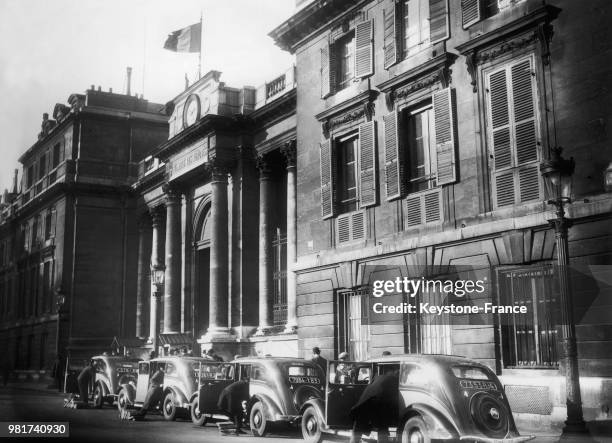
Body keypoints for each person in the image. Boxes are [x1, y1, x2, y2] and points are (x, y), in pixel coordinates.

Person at [348, 368, 399, 443]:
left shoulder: (379, 377)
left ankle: (354, 441)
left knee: (359, 424)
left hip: (366, 400)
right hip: (380, 402)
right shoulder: (394, 380)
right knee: (383, 425)